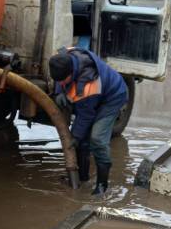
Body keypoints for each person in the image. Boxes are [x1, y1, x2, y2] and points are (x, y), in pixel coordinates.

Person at [49, 47, 128, 195]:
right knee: (81, 139)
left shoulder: (88, 86)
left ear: (71, 73)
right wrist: (59, 91)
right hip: (94, 96)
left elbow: (86, 116)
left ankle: (102, 185)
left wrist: (75, 137)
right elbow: (60, 80)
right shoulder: (63, 58)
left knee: (96, 138)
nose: (60, 82)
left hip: (112, 98)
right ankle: (83, 178)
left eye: (62, 81)